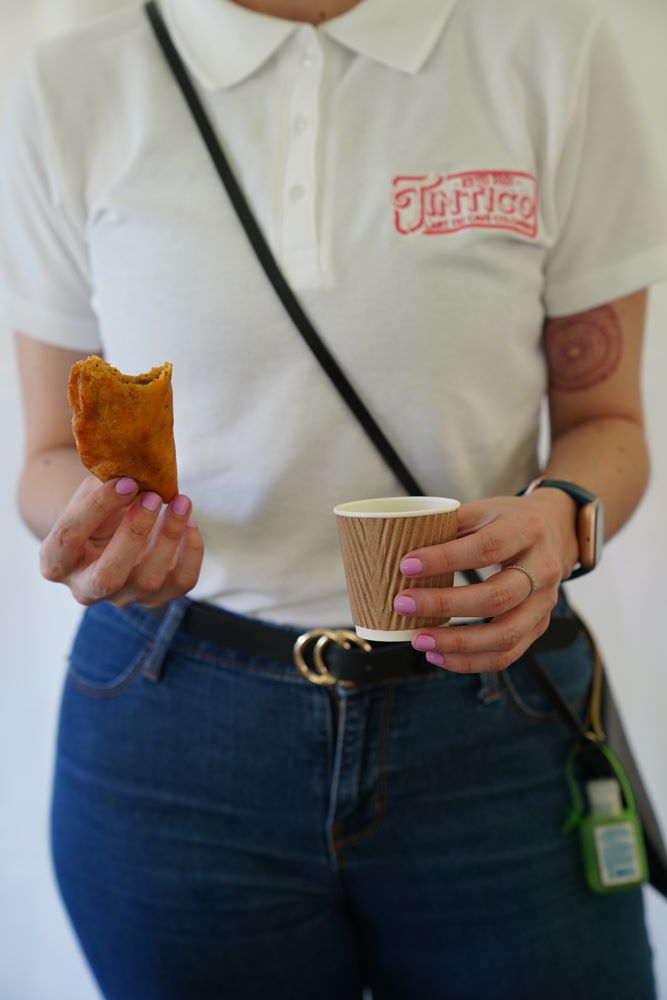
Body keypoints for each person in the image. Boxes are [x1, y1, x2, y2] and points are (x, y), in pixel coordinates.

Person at [2, 0, 667, 996]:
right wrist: (97, 539)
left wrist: (560, 518)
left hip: (491, 717)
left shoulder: (551, 49)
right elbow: (51, 457)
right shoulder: (77, 81)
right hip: (176, 723)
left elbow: (606, 419)